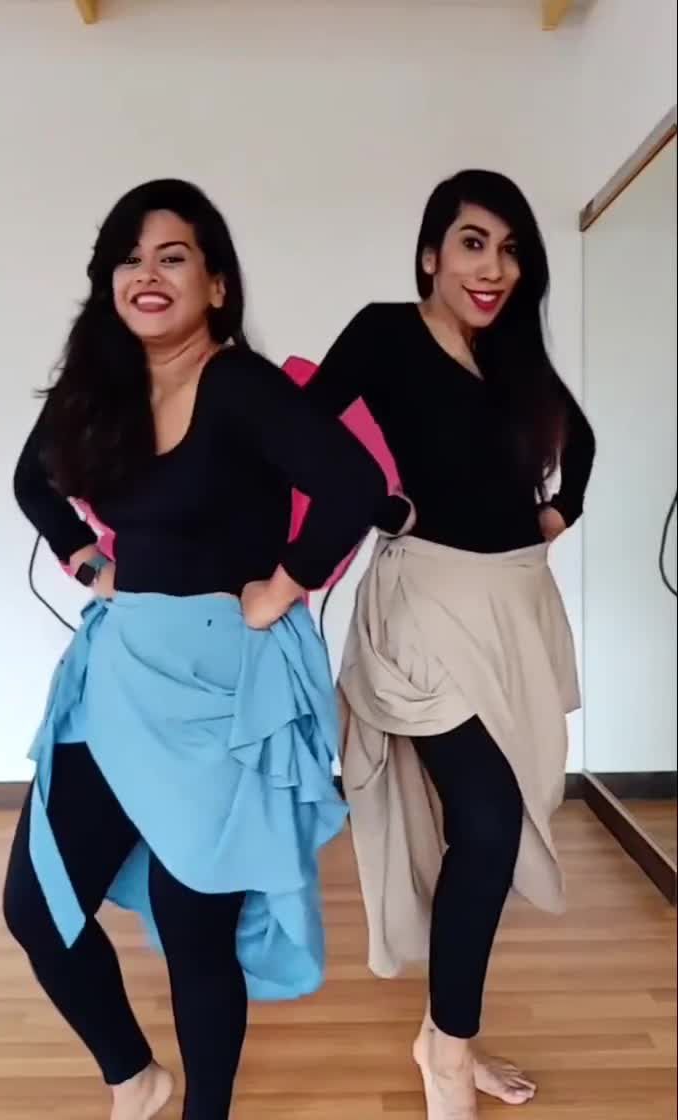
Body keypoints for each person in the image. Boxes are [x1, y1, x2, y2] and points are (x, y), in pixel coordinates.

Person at [3, 178, 394, 1120]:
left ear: (215, 284)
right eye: (129, 259)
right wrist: (87, 560)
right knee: (36, 905)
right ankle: (135, 1078)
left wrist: (283, 586)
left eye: (171, 257)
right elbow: (31, 481)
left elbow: (354, 482)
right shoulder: (101, 391)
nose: (147, 274)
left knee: (196, 930)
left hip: (222, 688)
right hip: (119, 677)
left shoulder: (240, 386)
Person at [304, 169, 596, 1120]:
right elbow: (301, 431)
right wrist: (380, 504)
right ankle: (447, 1056)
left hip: (512, 605)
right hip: (425, 610)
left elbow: (581, 441)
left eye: (510, 250)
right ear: (431, 253)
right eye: (473, 243)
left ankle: (446, 1032)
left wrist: (559, 511)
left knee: (491, 828)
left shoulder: (512, 357)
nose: (493, 267)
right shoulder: (386, 332)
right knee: (489, 819)